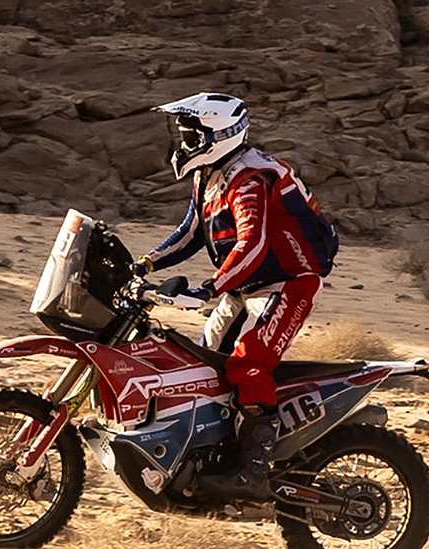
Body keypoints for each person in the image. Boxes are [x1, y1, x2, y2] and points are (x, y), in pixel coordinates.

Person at [133, 92, 339, 499]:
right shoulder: (209, 175)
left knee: (248, 364)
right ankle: (216, 455)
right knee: (205, 364)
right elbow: (191, 232)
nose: (184, 144)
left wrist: (209, 288)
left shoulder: (249, 179)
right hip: (247, 286)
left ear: (219, 135)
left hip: (288, 283)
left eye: (192, 136)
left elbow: (252, 245)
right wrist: (145, 264)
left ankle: (254, 471)